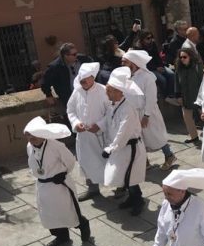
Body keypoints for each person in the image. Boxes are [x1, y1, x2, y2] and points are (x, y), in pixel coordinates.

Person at [24, 116, 91, 246]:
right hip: (44, 186)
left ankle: (82, 224)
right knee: (50, 214)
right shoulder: (29, 147)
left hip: (59, 185)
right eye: (28, 137)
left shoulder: (56, 146)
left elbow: (70, 161)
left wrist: (63, 173)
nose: (31, 139)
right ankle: (61, 236)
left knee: (67, 211)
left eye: (33, 136)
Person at [103, 67, 148, 215]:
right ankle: (132, 197)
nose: (106, 93)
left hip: (130, 148)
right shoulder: (113, 105)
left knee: (131, 176)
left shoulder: (127, 109)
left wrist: (112, 148)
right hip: (122, 148)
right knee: (125, 176)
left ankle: (137, 201)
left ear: (118, 92)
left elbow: (124, 131)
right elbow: (109, 123)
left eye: (109, 90)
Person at [122, 50, 176, 171]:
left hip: (147, 112)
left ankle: (169, 155)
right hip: (133, 112)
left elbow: (151, 98)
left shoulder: (147, 77)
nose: (122, 64)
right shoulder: (128, 76)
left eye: (125, 62)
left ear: (133, 63)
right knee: (138, 137)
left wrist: (146, 115)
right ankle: (144, 161)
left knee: (156, 135)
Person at [66, 62, 109, 201]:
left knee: (108, 163)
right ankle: (93, 189)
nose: (82, 81)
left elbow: (111, 112)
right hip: (83, 137)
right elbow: (71, 110)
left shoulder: (104, 91)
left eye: (85, 79)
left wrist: (99, 125)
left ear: (92, 77)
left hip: (101, 136)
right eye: (81, 79)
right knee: (86, 162)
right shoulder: (77, 91)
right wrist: (76, 123)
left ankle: (121, 187)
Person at [41, 42, 94, 113]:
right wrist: (48, 95)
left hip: (88, 95)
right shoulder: (55, 67)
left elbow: (94, 69)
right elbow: (45, 82)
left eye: (76, 53)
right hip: (70, 99)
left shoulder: (84, 60)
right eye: (74, 54)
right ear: (66, 56)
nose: (76, 56)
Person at [174, 48, 204, 146]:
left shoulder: (197, 67)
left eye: (185, 57)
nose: (182, 59)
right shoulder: (179, 68)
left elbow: (203, 81)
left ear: (190, 57)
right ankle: (194, 137)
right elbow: (176, 83)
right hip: (186, 98)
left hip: (199, 98)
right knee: (187, 118)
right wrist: (178, 95)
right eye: (181, 57)